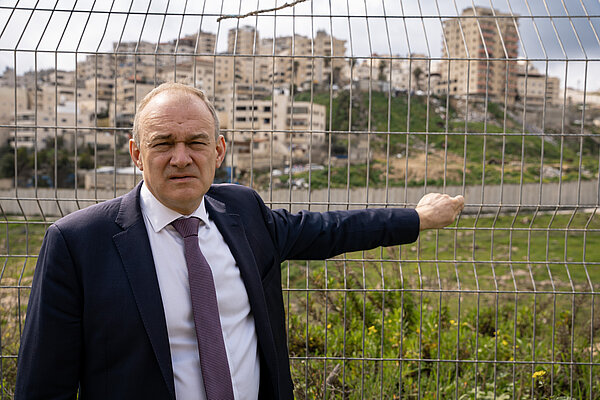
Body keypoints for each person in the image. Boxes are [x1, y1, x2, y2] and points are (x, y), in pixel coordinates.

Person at [15, 82, 464, 400]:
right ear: (135, 153)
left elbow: (331, 229)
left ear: (219, 151)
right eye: (162, 143)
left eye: (196, 142)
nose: (181, 157)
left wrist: (418, 218)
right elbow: (42, 386)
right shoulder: (78, 244)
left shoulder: (245, 214)